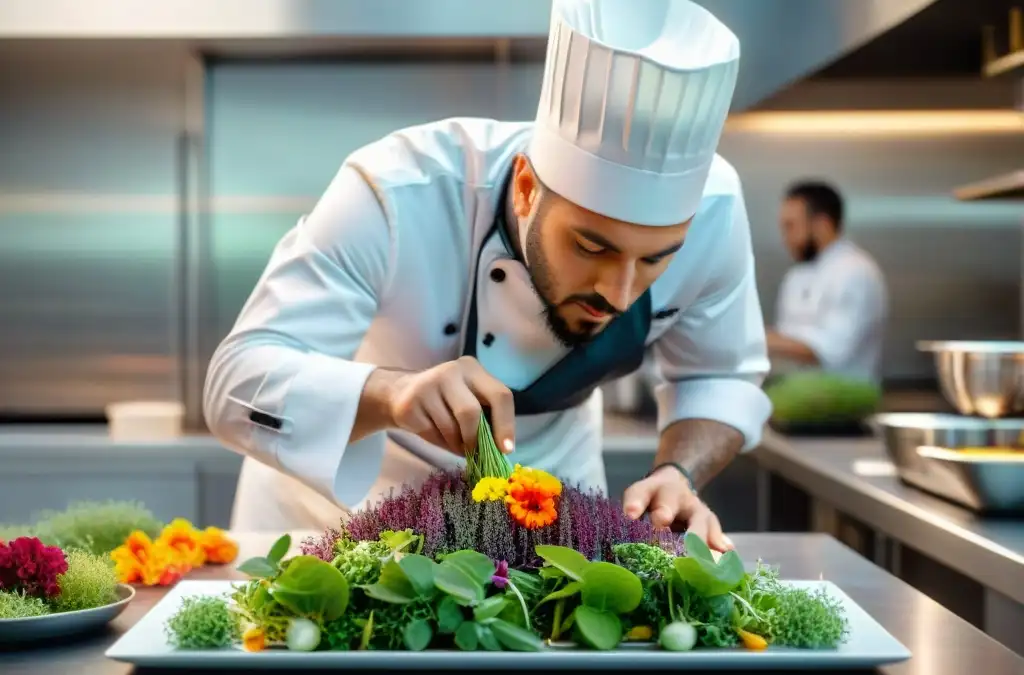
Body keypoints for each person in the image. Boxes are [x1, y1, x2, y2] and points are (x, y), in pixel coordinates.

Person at [203, 0, 773, 552]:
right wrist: (393, 392)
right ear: (526, 189)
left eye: (655, 258)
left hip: (549, 513)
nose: (618, 293)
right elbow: (234, 383)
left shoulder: (716, 212)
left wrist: (678, 473)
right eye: (590, 245)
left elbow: (721, 378)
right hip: (338, 519)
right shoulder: (398, 191)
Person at [767, 181, 889, 382]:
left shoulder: (855, 271)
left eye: (791, 226)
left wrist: (759, 339)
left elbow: (829, 351)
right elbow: (785, 341)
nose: (785, 238)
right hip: (796, 394)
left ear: (822, 225)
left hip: (845, 399)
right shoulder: (796, 274)